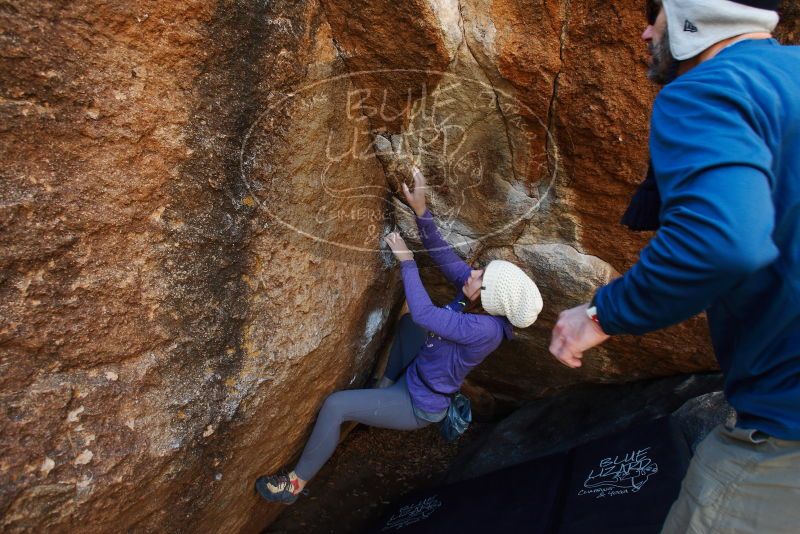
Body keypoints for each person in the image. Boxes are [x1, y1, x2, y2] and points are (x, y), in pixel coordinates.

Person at [549, 0, 800, 531]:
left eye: (655, 13)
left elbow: (721, 241)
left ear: (693, 15)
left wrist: (598, 315)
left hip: (786, 425)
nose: (644, 32)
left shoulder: (706, 91)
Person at [256, 167, 543, 504]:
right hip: (420, 370)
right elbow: (443, 257)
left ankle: (294, 485)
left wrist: (407, 262)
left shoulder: (485, 330)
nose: (474, 272)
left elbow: (426, 313)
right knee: (408, 326)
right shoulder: (481, 298)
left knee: (336, 406)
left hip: (417, 404)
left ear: (493, 298)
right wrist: (421, 211)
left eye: (481, 276)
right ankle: (381, 389)